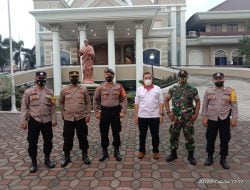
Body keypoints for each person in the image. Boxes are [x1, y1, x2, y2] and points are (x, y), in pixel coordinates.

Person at [20, 71, 57, 173]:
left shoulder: (50, 92)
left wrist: (54, 119)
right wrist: (23, 121)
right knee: (32, 142)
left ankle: (47, 159)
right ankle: (34, 162)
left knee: (48, 141)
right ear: (36, 79)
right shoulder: (28, 92)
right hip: (34, 120)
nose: (41, 80)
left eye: (43, 78)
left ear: (45, 79)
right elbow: (24, 107)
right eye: (39, 78)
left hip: (47, 120)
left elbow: (53, 107)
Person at [202, 72, 238, 169]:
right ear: (213, 80)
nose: (219, 80)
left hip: (224, 118)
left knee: (225, 139)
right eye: (217, 79)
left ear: (223, 79)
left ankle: (223, 158)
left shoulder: (230, 91)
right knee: (210, 138)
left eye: (220, 78)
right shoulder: (208, 91)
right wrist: (204, 116)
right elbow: (205, 104)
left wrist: (234, 118)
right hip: (212, 118)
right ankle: (210, 157)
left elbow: (234, 105)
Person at [165, 70, 200, 165]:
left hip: (188, 117)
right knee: (173, 136)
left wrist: (196, 114)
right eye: (181, 76)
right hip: (175, 118)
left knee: (189, 136)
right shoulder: (173, 88)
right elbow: (166, 99)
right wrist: (169, 112)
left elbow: (197, 101)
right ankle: (173, 154)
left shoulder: (192, 89)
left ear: (187, 77)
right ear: (178, 77)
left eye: (184, 76)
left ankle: (191, 156)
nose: (182, 78)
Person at [93, 68, 127, 162]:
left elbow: (124, 99)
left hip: (116, 112)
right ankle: (105, 152)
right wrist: (96, 112)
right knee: (103, 132)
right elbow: (95, 100)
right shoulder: (100, 87)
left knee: (116, 132)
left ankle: (117, 152)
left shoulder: (119, 86)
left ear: (113, 75)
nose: (109, 75)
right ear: (104, 75)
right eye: (107, 74)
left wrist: (123, 111)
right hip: (104, 112)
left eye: (110, 74)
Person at [60, 71, 91, 167]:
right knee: (67, 138)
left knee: (83, 137)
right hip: (68, 118)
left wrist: (88, 114)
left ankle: (85, 155)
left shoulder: (83, 89)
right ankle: (67, 157)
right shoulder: (64, 89)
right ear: (69, 78)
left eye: (76, 77)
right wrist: (62, 113)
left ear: (78, 78)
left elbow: (88, 102)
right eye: (72, 77)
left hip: (81, 117)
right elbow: (61, 102)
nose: (74, 79)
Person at [134, 72, 164, 159]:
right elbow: (136, 103)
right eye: (146, 78)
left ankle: (155, 151)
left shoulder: (157, 89)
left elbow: (161, 102)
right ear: (143, 79)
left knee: (155, 135)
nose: (147, 79)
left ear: (152, 79)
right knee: (142, 135)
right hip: (142, 116)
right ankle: (141, 151)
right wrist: (136, 116)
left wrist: (161, 114)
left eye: (149, 78)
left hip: (154, 116)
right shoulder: (139, 89)